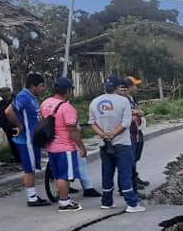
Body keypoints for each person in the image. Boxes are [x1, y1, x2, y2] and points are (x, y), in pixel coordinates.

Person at [89, 76, 145, 213]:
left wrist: (103, 135)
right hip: (122, 143)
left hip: (104, 143)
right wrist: (113, 134)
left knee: (107, 172)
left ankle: (107, 201)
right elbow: (126, 123)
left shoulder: (94, 102)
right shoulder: (123, 101)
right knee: (125, 172)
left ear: (105, 87)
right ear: (116, 87)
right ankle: (132, 203)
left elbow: (92, 123)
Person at [39, 77, 87, 212]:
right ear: (67, 91)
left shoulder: (45, 103)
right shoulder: (67, 108)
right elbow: (72, 130)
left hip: (51, 146)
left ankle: (64, 199)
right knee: (64, 176)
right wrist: (81, 147)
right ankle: (64, 202)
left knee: (58, 174)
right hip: (65, 147)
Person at [5, 72, 50, 206]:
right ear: (33, 86)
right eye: (41, 86)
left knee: (32, 168)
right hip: (27, 141)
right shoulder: (24, 97)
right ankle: (32, 198)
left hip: (33, 139)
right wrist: (19, 125)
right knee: (29, 169)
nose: (43, 89)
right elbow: (8, 111)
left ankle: (34, 195)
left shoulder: (32, 97)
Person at [120, 77, 148, 189]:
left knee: (135, 156)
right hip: (130, 133)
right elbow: (132, 112)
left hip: (137, 131)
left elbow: (140, 111)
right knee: (130, 158)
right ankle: (129, 183)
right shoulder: (123, 100)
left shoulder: (132, 98)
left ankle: (134, 177)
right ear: (128, 87)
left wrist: (138, 112)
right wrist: (137, 112)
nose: (136, 88)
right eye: (134, 85)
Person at [0, 87, 21, 163]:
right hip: (8, 129)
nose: (5, 98)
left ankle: (24, 160)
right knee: (13, 145)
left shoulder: (17, 102)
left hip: (18, 128)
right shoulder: (1, 104)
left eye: (6, 96)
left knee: (20, 144)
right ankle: (18, 160)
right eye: (3, 97)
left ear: (10, 95)